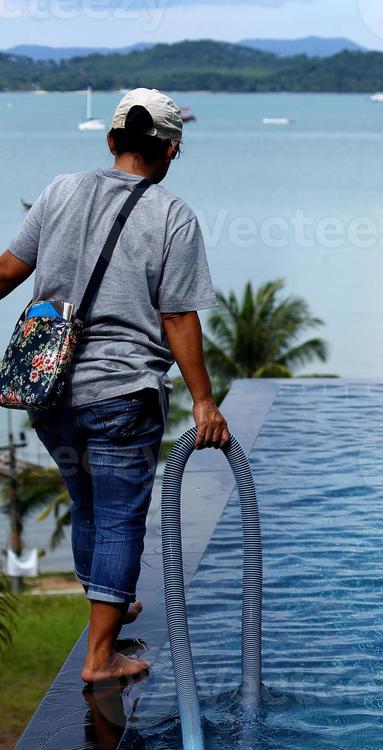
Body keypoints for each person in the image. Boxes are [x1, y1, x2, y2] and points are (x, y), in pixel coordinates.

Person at [0, 88, 229, 683]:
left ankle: (112, 602)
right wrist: (204, 401)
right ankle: (100, 658)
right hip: (121, 393)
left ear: (111, 141)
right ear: (172, 151)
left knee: (89, 502)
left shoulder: (59, 190)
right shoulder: (174, 216)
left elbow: (6, 273)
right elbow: (178, 317)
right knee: (122, 517)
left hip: (48, 391)